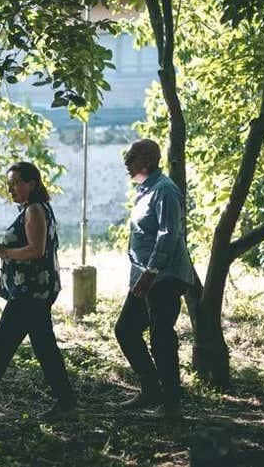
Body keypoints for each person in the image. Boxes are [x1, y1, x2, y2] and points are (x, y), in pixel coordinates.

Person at [0, 162, 76, 419]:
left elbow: (36, 250)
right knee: (44, 346)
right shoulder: (36, 208)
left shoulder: (33, 210)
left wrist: (3, 251)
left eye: (17, 183)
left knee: (2, 341)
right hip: (36, 289)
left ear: (32, 183)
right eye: (9, 184)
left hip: (31, 292)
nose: (12, 189)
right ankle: (66, 401)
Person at [115, 139, 195, 419]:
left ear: (148, 159)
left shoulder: (165, 190)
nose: (126, 163)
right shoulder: (145, 190)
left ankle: (172, 404)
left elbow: (168, 235)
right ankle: (151, 389)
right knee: (126, 330)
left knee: (161, 337)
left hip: (164, 277)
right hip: (145, 277)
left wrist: (151, 272)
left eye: (131, 157)